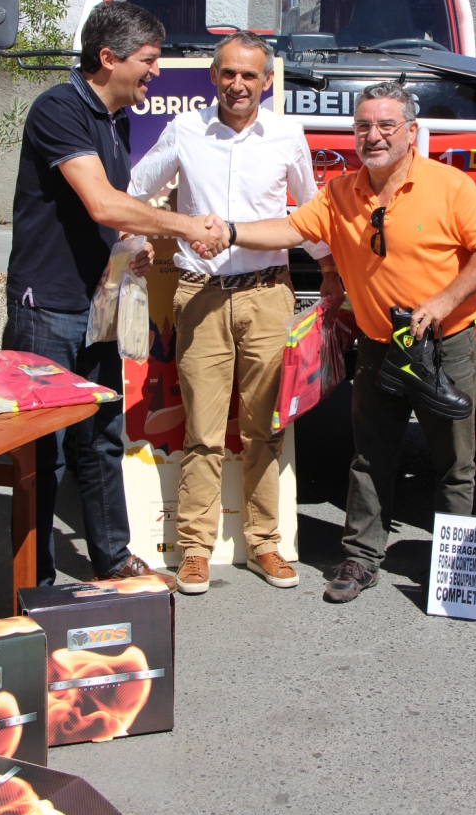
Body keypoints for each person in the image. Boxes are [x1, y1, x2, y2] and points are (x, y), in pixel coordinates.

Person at [195, 81, 476, 603]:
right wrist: (229, 232)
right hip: (377, 345)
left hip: (445, 343)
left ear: (411, 132)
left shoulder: (449, 185)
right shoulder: (341, 192)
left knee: (454, 461)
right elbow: (288, 228)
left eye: (386, 125)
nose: (374, 135)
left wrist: (442, 300)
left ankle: (454, 569)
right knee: (370, 455)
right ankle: (362, 557)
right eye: (363, 126)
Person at [6, 0, 226, 590]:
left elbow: (114, 216)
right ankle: (37, 582)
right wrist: (185, 226)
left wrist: (144, 241)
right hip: (46, 308)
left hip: (95, 306)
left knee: (100, 441)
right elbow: (101, 202)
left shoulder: (115, 119)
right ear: (108, 58)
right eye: (148, 61)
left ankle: (112, 559)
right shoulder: (58, 108)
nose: (156, 73)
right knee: (43, 453)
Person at [128, 31, 342, 595]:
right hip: (198, 295)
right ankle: (194, 549)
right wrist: (140, 243)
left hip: (267, 296)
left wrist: (331, 272)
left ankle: (264, 544)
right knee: (201, 430)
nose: (239, 85)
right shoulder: (185, 130)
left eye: (250, 75)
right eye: (229, 74)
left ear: (267, 81)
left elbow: (308, 213)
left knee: (263, 430)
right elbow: (135, 189)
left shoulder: (287, 135)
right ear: (213, 77)